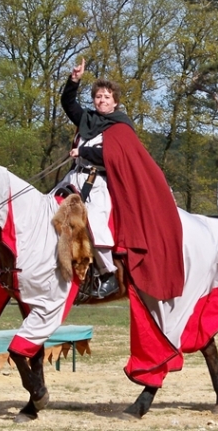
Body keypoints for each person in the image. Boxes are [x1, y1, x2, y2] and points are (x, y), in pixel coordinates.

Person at [55, 58, 130, 298]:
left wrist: (83, 151)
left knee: (94, 222)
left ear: (115, 101)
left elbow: (114, 155)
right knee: (47, 208)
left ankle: (108, 273)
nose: (102, 100)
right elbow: (68, 103)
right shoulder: (87, 119)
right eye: (98, 96)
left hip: (97, 183)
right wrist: (74, 80)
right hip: (73, 178)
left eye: (107, 97)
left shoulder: (120, 126)